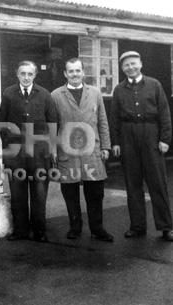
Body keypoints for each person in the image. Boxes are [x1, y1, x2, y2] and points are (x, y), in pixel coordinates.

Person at [110, 51, 173, 241]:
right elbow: (114, 118)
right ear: (122, 69)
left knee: (158, 183)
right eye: (126, 65)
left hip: (151, 135)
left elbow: (164, 113)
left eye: (133, 64)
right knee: (133, 183)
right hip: (128, 137)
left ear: (141, 64)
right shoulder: (119, 90)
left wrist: (164, 139)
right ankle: (137, 226)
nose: (131, 67)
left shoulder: (154, 85)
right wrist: (116, 142)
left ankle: (166, 227)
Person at [51, 58, 114, 242]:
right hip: (66, 151)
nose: (75, 74)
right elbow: (52, 125)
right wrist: (53, 149)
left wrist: (106, 146)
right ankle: (75, 227)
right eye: (71, 71)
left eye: (78, 70)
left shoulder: (95, 93)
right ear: (65, 74)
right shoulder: (55, 95)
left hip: (92, 150)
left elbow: (103, 121)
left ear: (83, 72)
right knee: (70, 192)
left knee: (95, 193)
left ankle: (97, 229)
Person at [0, 60, 57, 242]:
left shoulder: (45, 95)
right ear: (17, 74)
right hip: (16, 155)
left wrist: (50, 149)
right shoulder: (9, 94)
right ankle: (20, 230)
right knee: (18, 194)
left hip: (39, 154)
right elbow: (2, 124)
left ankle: (39, 231)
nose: (26, 77)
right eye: (23, 73)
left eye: (29, 74)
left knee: (39, 194)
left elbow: (53, 124)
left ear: (35, 75)